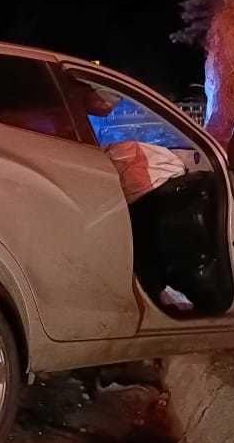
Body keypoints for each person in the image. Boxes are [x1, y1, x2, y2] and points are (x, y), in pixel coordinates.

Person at [71, 78, 194, 313]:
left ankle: (151, 289)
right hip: (84, 178)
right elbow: (104, 104)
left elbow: (104, 105)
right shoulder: (65, 94)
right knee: (143, 219)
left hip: (83, 176)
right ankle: (153, 290)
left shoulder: (56, 97)